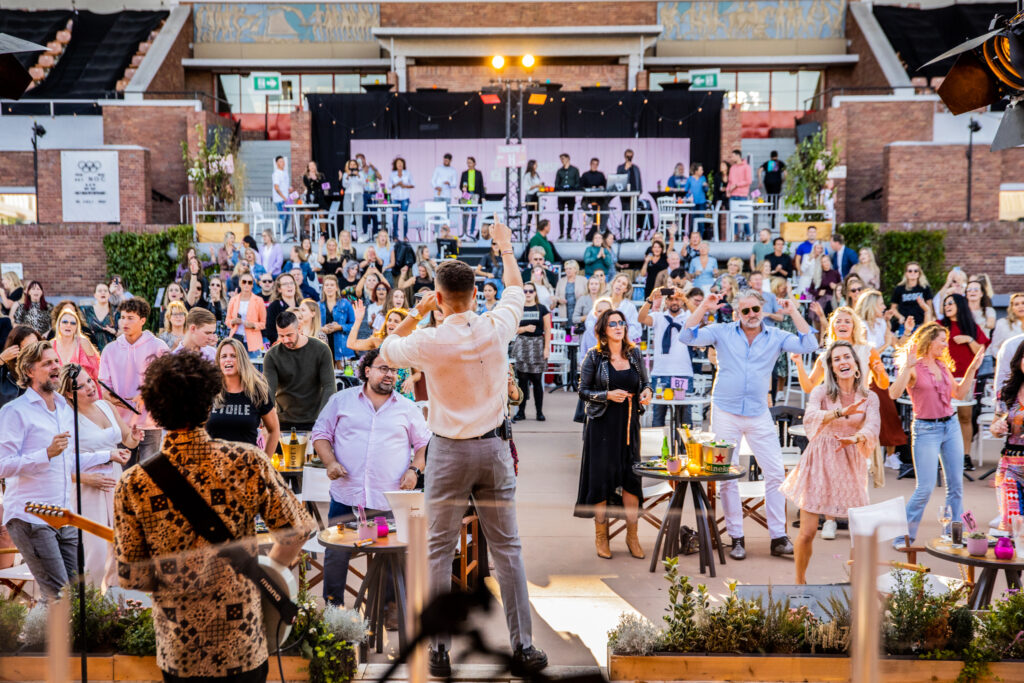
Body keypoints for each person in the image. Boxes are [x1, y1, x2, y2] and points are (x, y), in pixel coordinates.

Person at [380, 222, 548, 677]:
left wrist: (417, 312)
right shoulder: (495, 327)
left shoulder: (428, 341)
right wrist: (507, 246)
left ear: (438, 296)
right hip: (492, 450)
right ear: (475, 295)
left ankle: (438, 649)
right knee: (508, 550)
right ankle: (524, 647)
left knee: (438, 550)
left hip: (449, 454)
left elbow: (387, 347)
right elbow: (515, 286)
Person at [113, 351, 311, 682]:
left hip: (180, 648)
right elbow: (297, 530)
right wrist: (265, 571)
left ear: (156, 413)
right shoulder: (247, 461)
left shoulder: (133, 483)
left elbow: (133, 577)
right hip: (242, 642)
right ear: (209, 405)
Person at [681, 289, 815, 559]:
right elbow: (687, 336)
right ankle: (736, 537)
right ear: (737, 313)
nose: (752, 315)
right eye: (746, 311)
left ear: (762, 310)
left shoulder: (776, 336)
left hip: (758, 413)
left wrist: (793, 312)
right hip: (725, 411)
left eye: (756, 309)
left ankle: (778, 537)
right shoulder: (721, 331)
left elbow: (809, 344)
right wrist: (705, 307)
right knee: (727, 476)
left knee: (776, 473)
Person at [0, 342, 128, 600]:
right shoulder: (15, 411)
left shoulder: (62, 409)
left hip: (63, 516)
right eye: (47, 363)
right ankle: (31, 641)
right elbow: (3, 464)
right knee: (60, 596)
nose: (56, 367)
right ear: (28, 371)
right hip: (30, 517)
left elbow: (66, 461)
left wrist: (108, 455)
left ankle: (51, 639)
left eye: (56, 361)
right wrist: (45, 454)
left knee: (79, 596)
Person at [312, 347, 429, 608]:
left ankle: (387, 610)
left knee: (389, 557)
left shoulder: (407, 409)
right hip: (346, 498)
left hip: (384, 502)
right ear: (367, 371)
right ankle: (335, 612)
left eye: (394, 370)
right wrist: (330, 462)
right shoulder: (341, 401)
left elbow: (423, 445)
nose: (390, 375)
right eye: (383, 368)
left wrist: (414, 470)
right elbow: (320, 434)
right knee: (336, 555)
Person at [781, 341, 879, 583]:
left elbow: (873, 426)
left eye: (847, 357)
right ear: (832, 368)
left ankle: (854, 584)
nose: (842, 362)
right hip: (819, 461)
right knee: (807, 532)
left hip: (850, 460)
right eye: (836, 359)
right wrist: (839, 413)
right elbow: (811, 416)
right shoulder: (822, 392)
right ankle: (800, 581)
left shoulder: (870, 397)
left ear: (856, 364)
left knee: (860, 532)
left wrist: (854, 438)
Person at [889, 322, 984, 545]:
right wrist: (906, 367)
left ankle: (956, 534)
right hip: (925, 430)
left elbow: (959, 393)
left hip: (950, 426)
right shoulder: (913, 366)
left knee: (956, 486)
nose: (945, 344)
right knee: (925, 488)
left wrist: (972, 368)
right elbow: (893, 393)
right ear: (929, 340)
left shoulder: (942, 365)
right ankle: (902, 536)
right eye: (942, 340)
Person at [575, 306, 653, 559]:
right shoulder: (594, 357)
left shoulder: (634, 354)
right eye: (613, 324)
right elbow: (583, 391)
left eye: (621, 323)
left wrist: (646, 393)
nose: (619, 327)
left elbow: (646, 383)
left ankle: (632, 536)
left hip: (629, 425)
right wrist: (606, 395)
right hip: (601, 426)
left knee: (631, 480)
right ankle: (601, 536)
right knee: (600, 481)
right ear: (603, 330)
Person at [58, 364, 139, 589]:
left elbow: (126, 440)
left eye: (90, 381)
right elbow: (63, 464)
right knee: (95, 550)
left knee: (120, 543)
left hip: (114, 479)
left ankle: (115, 602)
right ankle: (89, 605)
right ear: (68, 393)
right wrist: (88, 480)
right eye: (81, 386)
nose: (90, 388)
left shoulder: (106, 406)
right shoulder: (67, 418)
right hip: (87, 485)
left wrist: (133, 437)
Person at [99, 298, 170, 463]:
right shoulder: (109, 350)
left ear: (143, 321)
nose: (124, 322)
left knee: (149, 476)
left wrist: (146, 395)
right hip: (121, 424)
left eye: (130, 318)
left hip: (151, 423)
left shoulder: (159, 347)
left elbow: (169, 381)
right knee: (125, 475)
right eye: (122, 317)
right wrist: (112, 399)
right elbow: (104, 388)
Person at [263, 310, 336, 432]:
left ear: (299, 328)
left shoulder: (321, 349)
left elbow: (329, 386)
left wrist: (323, 419)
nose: (285, 340)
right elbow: (269, 391)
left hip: (315, 421)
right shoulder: (272, 355)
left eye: (289, 335)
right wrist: (266, 421)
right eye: (281, 336)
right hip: (283, 422)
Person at [206, 337, 280, 456]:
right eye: (224, 356)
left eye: (233, 356)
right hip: (215, 468)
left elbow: (274, 430)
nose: (228, 360)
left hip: (247, 468)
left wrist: (265, 462)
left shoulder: (257, 391)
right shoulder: (210, 390)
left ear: (242, 360)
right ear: (218, 361)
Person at [940, 293, 989, 463]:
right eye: (945, 303)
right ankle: (944, 456)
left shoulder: (971, 327)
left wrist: (968, 339)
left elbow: (981, 352)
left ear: (960, 305)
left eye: (951, 303)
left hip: (966, 377)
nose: (947, 306)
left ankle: (965, 455)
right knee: (941, 416)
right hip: (942, 377)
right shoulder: (939, 326)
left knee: (965, 416)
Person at [638, 286, 692, 429]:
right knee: (658, 417)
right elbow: (641, 318)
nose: (674, 302)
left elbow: (699, 316)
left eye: (677, 299)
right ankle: (658, 451)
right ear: (666, 302)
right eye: (671, 299)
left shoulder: (687, 316)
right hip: (661, 372)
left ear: (681, 302)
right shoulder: (658, 317)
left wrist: (685, 297)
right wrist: (650, 299)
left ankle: (685, 450)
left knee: (685, 418)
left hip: (683, 372)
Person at [989, 341, 1024, 531]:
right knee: (1012, 524)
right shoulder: (1007, 392)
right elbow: (994, 427)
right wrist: (997, 427)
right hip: (1011, 465)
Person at [511, 284, 551, 422]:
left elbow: (547, 329)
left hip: (537, 345)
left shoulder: (542, 309)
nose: (528, 293)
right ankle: (521, 412)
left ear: (535, 293)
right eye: (525, 291)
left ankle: (539, 412)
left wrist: (547, 348)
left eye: (530, 291)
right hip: (522, 344)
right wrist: (525, 328)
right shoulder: (518, 309)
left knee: (537, 381)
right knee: (522, 381)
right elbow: (512, 328)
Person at [52, 304, 102, 389]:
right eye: (65, 322)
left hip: (83, 392)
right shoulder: (51, 345)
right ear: (59, 324)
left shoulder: (83, 342)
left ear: (76, 327)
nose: (68, 325)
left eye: (73, 323)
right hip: (58, 392)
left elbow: (97, 372)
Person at [226, 272, 266, 357]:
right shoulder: (233, 300)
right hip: (236, 338)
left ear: (252, 285)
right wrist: (233, 321)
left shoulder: (259, 300)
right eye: (244, 282)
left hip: (253, 341)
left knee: (253, 366)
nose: (246, 284)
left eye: (249, 282)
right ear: (240, 283)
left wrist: (252, 325)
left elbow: (263, 323)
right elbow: (227, 320)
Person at [319, 274, 355, 365]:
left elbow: (354, 325)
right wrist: (322, 329)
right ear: (323, 288)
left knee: (344, 376)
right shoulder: (318, 305)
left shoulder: (345, 304)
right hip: (323, 346)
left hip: (342, 347)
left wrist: (340, 327)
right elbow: (312, 326)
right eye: (326, 285)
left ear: (336, 288)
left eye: (332, 285)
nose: (329, 287)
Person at [1, 325, 38, 409]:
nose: (35, 350)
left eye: (36, 344)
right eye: (29, 347)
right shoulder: (4, 370)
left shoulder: (43, 367)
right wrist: (1, 359)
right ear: (15, 350)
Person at [889, 262, 933, 332]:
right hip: (905, 325)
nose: (913, 273)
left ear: (919, 273)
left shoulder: (925, 288)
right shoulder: (899, 288)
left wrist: (928, 323)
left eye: (915, 271)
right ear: (906, 273)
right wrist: (900, 317)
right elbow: (893, 308)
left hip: (921, 325)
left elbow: (929, 307)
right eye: (910, 271)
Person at [265, 273, 301, 346]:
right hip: (282, 347)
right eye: (285, 284)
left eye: (291, 283)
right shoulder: (273, 306)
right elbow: (270, 332)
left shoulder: (302, 304)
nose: (289, 286)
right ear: (279, 289)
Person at [81, 282, 117, 351]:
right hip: (91, 350)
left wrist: (114, 332)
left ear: (109, 295)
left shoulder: (115, 312)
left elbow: (123, 333)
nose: (103, 293)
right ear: (95, 295)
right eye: (100, 291)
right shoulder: (86, 311)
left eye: (105, 291)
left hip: (111, 351)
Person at [608, 274, 641, 341]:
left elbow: (636, 327)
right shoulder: (603, 303)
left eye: (623, 284)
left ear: (626, 289)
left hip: (624, 342)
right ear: (613, 283)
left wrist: (623, 336)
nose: (620, 284)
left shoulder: (630, 306)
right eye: (618, 281)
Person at [554, 153, 580, 239]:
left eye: (563, 158)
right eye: (561, 159)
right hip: (561, 195)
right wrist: (561, 188)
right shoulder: (559, 171)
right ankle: (561, 233)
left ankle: (568, 233)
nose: (562, 160)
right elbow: (556, 184)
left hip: (571, 195)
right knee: (561, 214)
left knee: (570, 214)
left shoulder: (575, 170)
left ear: (568, 159)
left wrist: (572, 188)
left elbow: (577, 183)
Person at [459, 156, 485, 239]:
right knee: (465, 213)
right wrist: (463, 189)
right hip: (467, 195)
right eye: (467, 163)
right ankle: (464, 232)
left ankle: (472, 232)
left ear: (474, 163)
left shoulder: (478, 173)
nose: (469, 164)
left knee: (474, 213)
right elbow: (461, 186)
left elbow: (481, 186)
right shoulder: (464, 173)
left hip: (475, 195)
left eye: (470, 163)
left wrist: (482, 197)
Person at [389, 157, 414, 240]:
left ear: (403, 164)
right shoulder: (392, 174)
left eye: (401, 163)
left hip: (405, 197)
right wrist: (397, 184)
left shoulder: (408, 173)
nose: (400, 164)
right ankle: (395, 236)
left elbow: (413, 184)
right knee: (395, 217)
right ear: (395, 165)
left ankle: (404, 236)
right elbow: (389, 186)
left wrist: (405, 186)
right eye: (398, 163)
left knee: (405, 216)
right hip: (395, 197)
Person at [341, 158, 365, 236]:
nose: (352, 166)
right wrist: (347, 177)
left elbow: (363, 183)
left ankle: (360, 235)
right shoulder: (345, 174)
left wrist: (357, 175)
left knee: (358, 215)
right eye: (351, 164)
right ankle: (346, 235)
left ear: (357, 166)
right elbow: (344, 185)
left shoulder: (361, 173)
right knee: (347, 215)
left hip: (358, 195)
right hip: (348, 195)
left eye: (354, 164)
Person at [272, 155, 291, 237]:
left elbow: (285, 186)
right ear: (276, 163)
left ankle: (284, 234)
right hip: (280, 199)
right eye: (280, 161)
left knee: (288, 217)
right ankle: (282, 235)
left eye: (283, 161)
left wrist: (290, 189)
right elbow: (276, 187)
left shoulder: (285, 173)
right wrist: (284, 198)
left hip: (287, 199)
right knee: (283, 216)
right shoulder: (276, 174)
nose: (282, 163)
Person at [523, 159, 543, 229]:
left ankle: (538, 231)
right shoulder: (528, 175)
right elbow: (527, 187)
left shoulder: (536, 174)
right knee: (529, 215)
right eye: (535, 164)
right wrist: (536, 186)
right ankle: (527, 231)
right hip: (530, 196)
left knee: (537, 215)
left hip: (537, 195)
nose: (536, 165)